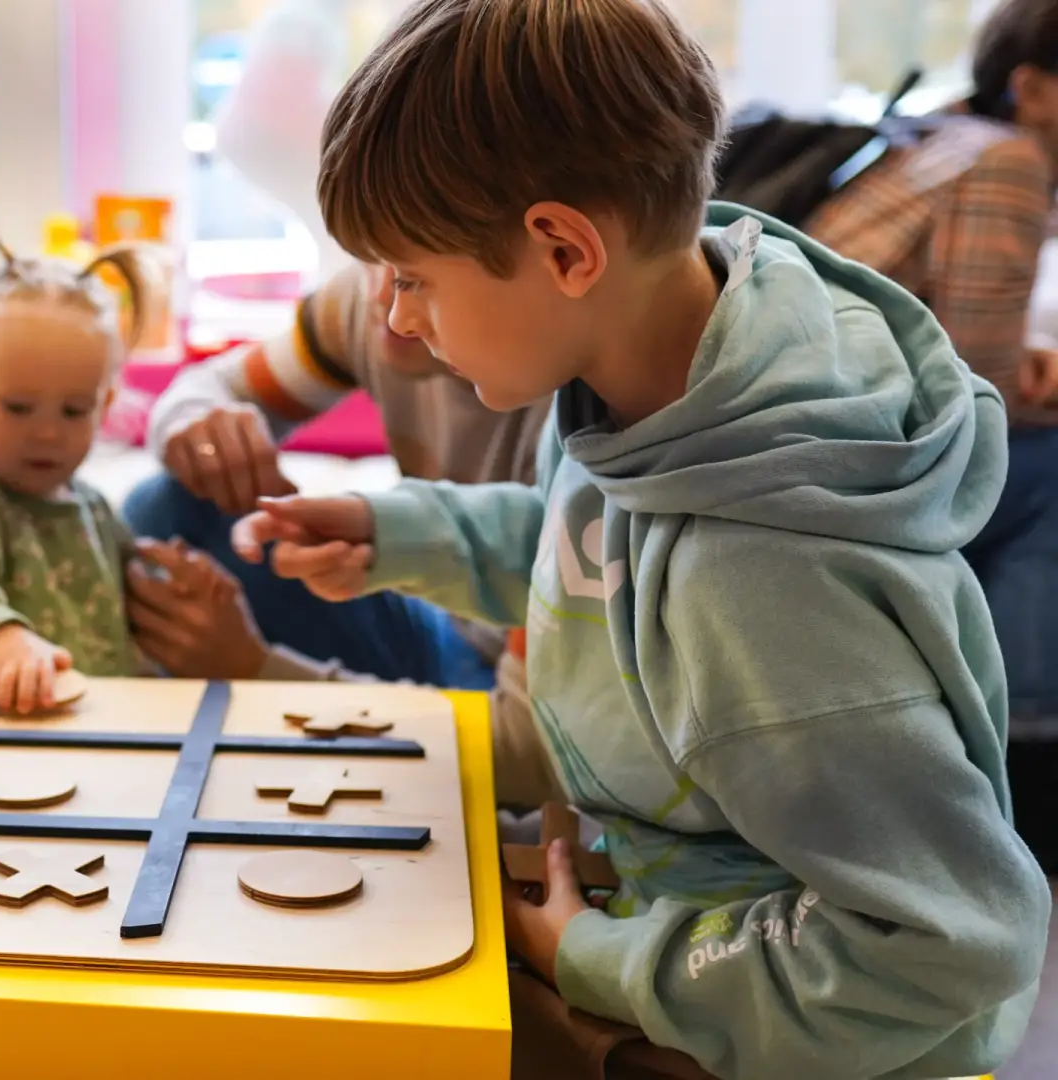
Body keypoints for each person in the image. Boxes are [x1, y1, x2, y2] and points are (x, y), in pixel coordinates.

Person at [236, 0, 1050, 1077]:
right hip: (670, 933)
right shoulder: (649, 399)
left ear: (565, 248)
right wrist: (403, 532)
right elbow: (593, 550)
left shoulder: (769, 583)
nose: (392, 322)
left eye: (413, 277)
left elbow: (949, 942)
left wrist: (600, 959)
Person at [802, 0, 1058, 867]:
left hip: (799, 423)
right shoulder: (1012, 160)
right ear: (1033, 88)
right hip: (849, 452)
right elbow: (974, 400)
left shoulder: (939, 133)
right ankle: (1023, 755)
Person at [125, 259, 551, 690]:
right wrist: (201, 431)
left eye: (415, 273)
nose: (382, 296)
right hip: (452, 630)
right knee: (169, 503)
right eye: (370, 255)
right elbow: (207, 391)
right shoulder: (368, 302)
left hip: (520, 675)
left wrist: (256, 669)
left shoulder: (576, 404)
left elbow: (516, 740)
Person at [0, 228, 156, 714]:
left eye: (74, 410)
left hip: (81, 732)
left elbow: (131, 592)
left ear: (103, 409)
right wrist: (3, 638)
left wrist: (164, 578)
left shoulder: (92, 508)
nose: (47, 434)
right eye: (19, 408)